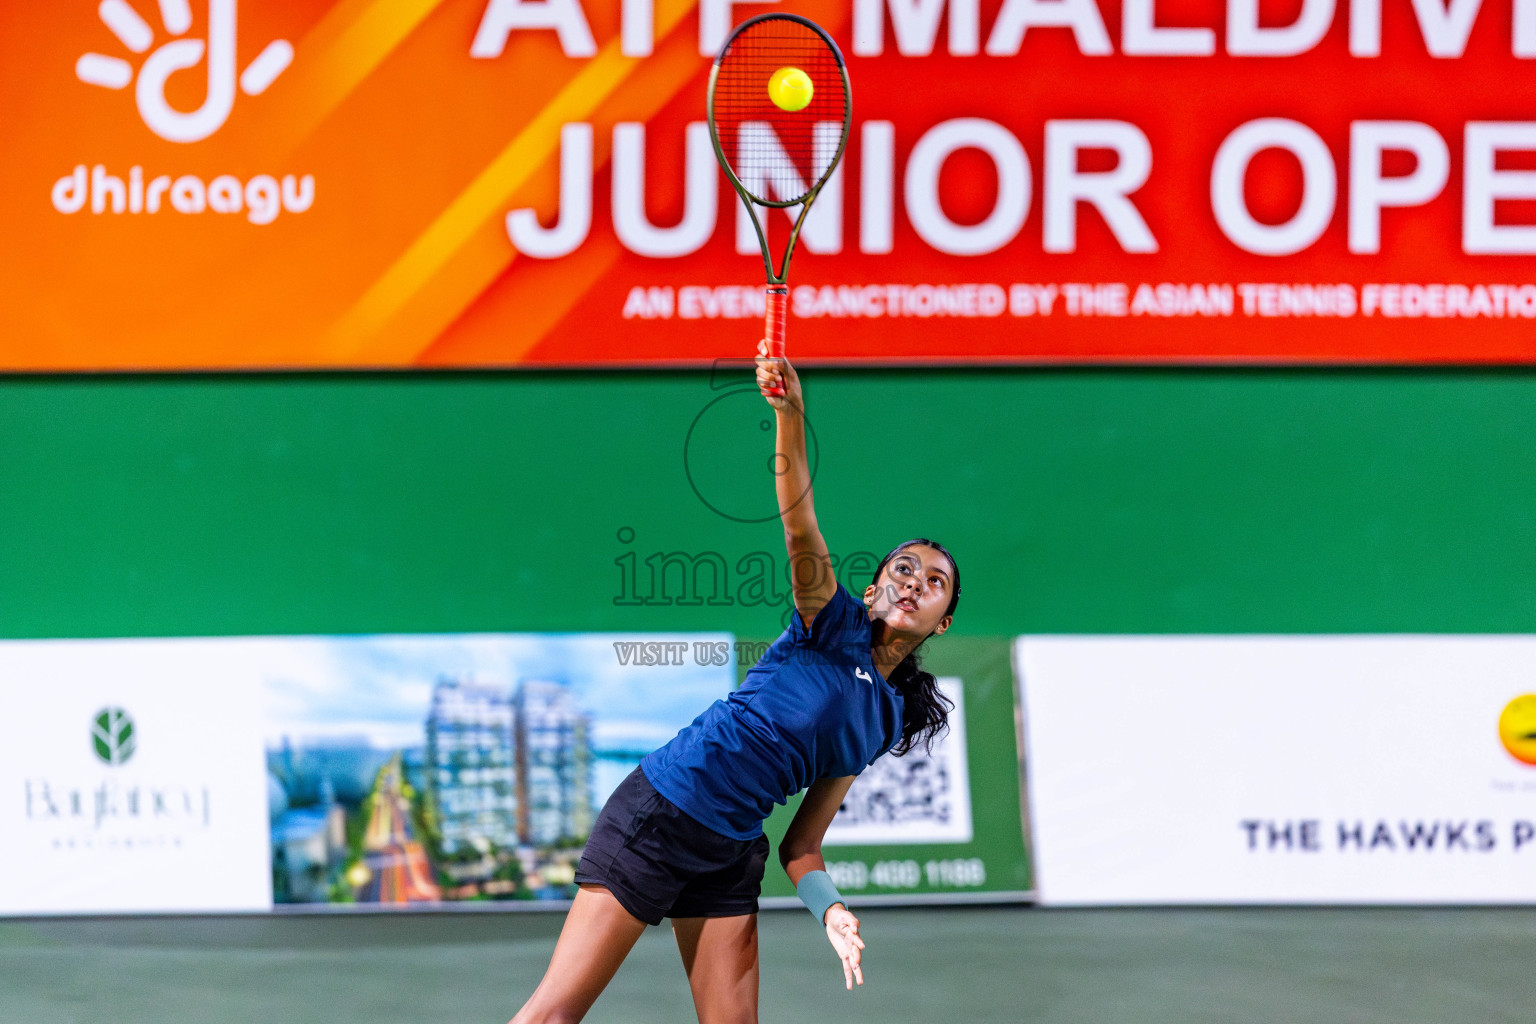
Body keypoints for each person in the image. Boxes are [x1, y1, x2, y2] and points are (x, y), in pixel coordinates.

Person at [508, 344, 961, 1024]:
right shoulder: (828, 622)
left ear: (943, 623)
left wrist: (830, 908)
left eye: (933, 582)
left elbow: (802, 846)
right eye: (903, 569)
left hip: (730, 849)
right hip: (662, 813)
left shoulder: (887, 719)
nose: (913, 583)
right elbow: (796, 517)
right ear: (872, 588)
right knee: (554, 1015)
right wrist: (791, 413)